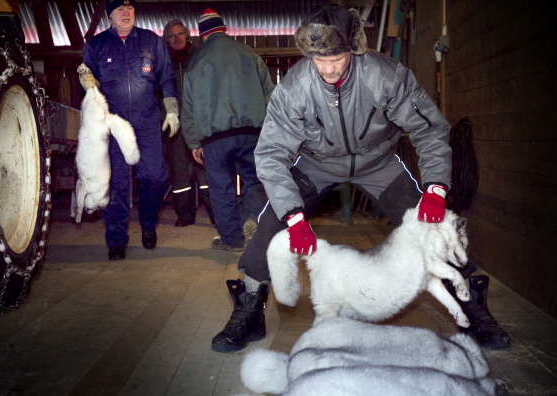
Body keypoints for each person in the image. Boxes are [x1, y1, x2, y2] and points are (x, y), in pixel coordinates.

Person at [211, 4, 510, 353]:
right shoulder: (294, 88)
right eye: (318, 60)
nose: (328, 69)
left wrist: (435, 189)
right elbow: (271, 154)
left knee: (435, 226)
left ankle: (471, 303)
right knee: (272, 223)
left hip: (377, 163)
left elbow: (429, 131)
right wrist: (293, 215)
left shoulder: (385, 76)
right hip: (317, 164)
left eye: (336, 58)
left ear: (352, 48)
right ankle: (249, 307)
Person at [78, 0, 179, 260]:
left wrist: (171, 110)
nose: (126, 13)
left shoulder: (151, 41)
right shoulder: (97, 45)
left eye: (130, 8)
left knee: (154, 176)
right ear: (109, 15)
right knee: (117, 182)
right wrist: (86, 85)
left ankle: (148, 226)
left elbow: (166, 76)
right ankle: (116, 239)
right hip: (113, 123)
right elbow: (88, 84)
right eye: (120, 9)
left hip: (147, 121)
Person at [181, 8, 275, 252]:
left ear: (203, 35)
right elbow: (270, 94)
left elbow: (188, 107)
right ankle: (252, 219)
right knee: (254, 181)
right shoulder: (249, 53)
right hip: (252, 134)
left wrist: (193, 143)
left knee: (221, 188)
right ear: (223, 29)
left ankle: (232, 240)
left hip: (215, 139)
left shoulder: (195, 62)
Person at [161, 19, 215, 228]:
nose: (176, 38)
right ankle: (185, 215)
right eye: (172, 36)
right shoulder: (163, 62)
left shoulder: (200, 57)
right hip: (173, 127)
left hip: (199, 125)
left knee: (206, 169)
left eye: (180, 34)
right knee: (179, 172)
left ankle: (215, 214)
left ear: (187, 35)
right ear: (166, 40)